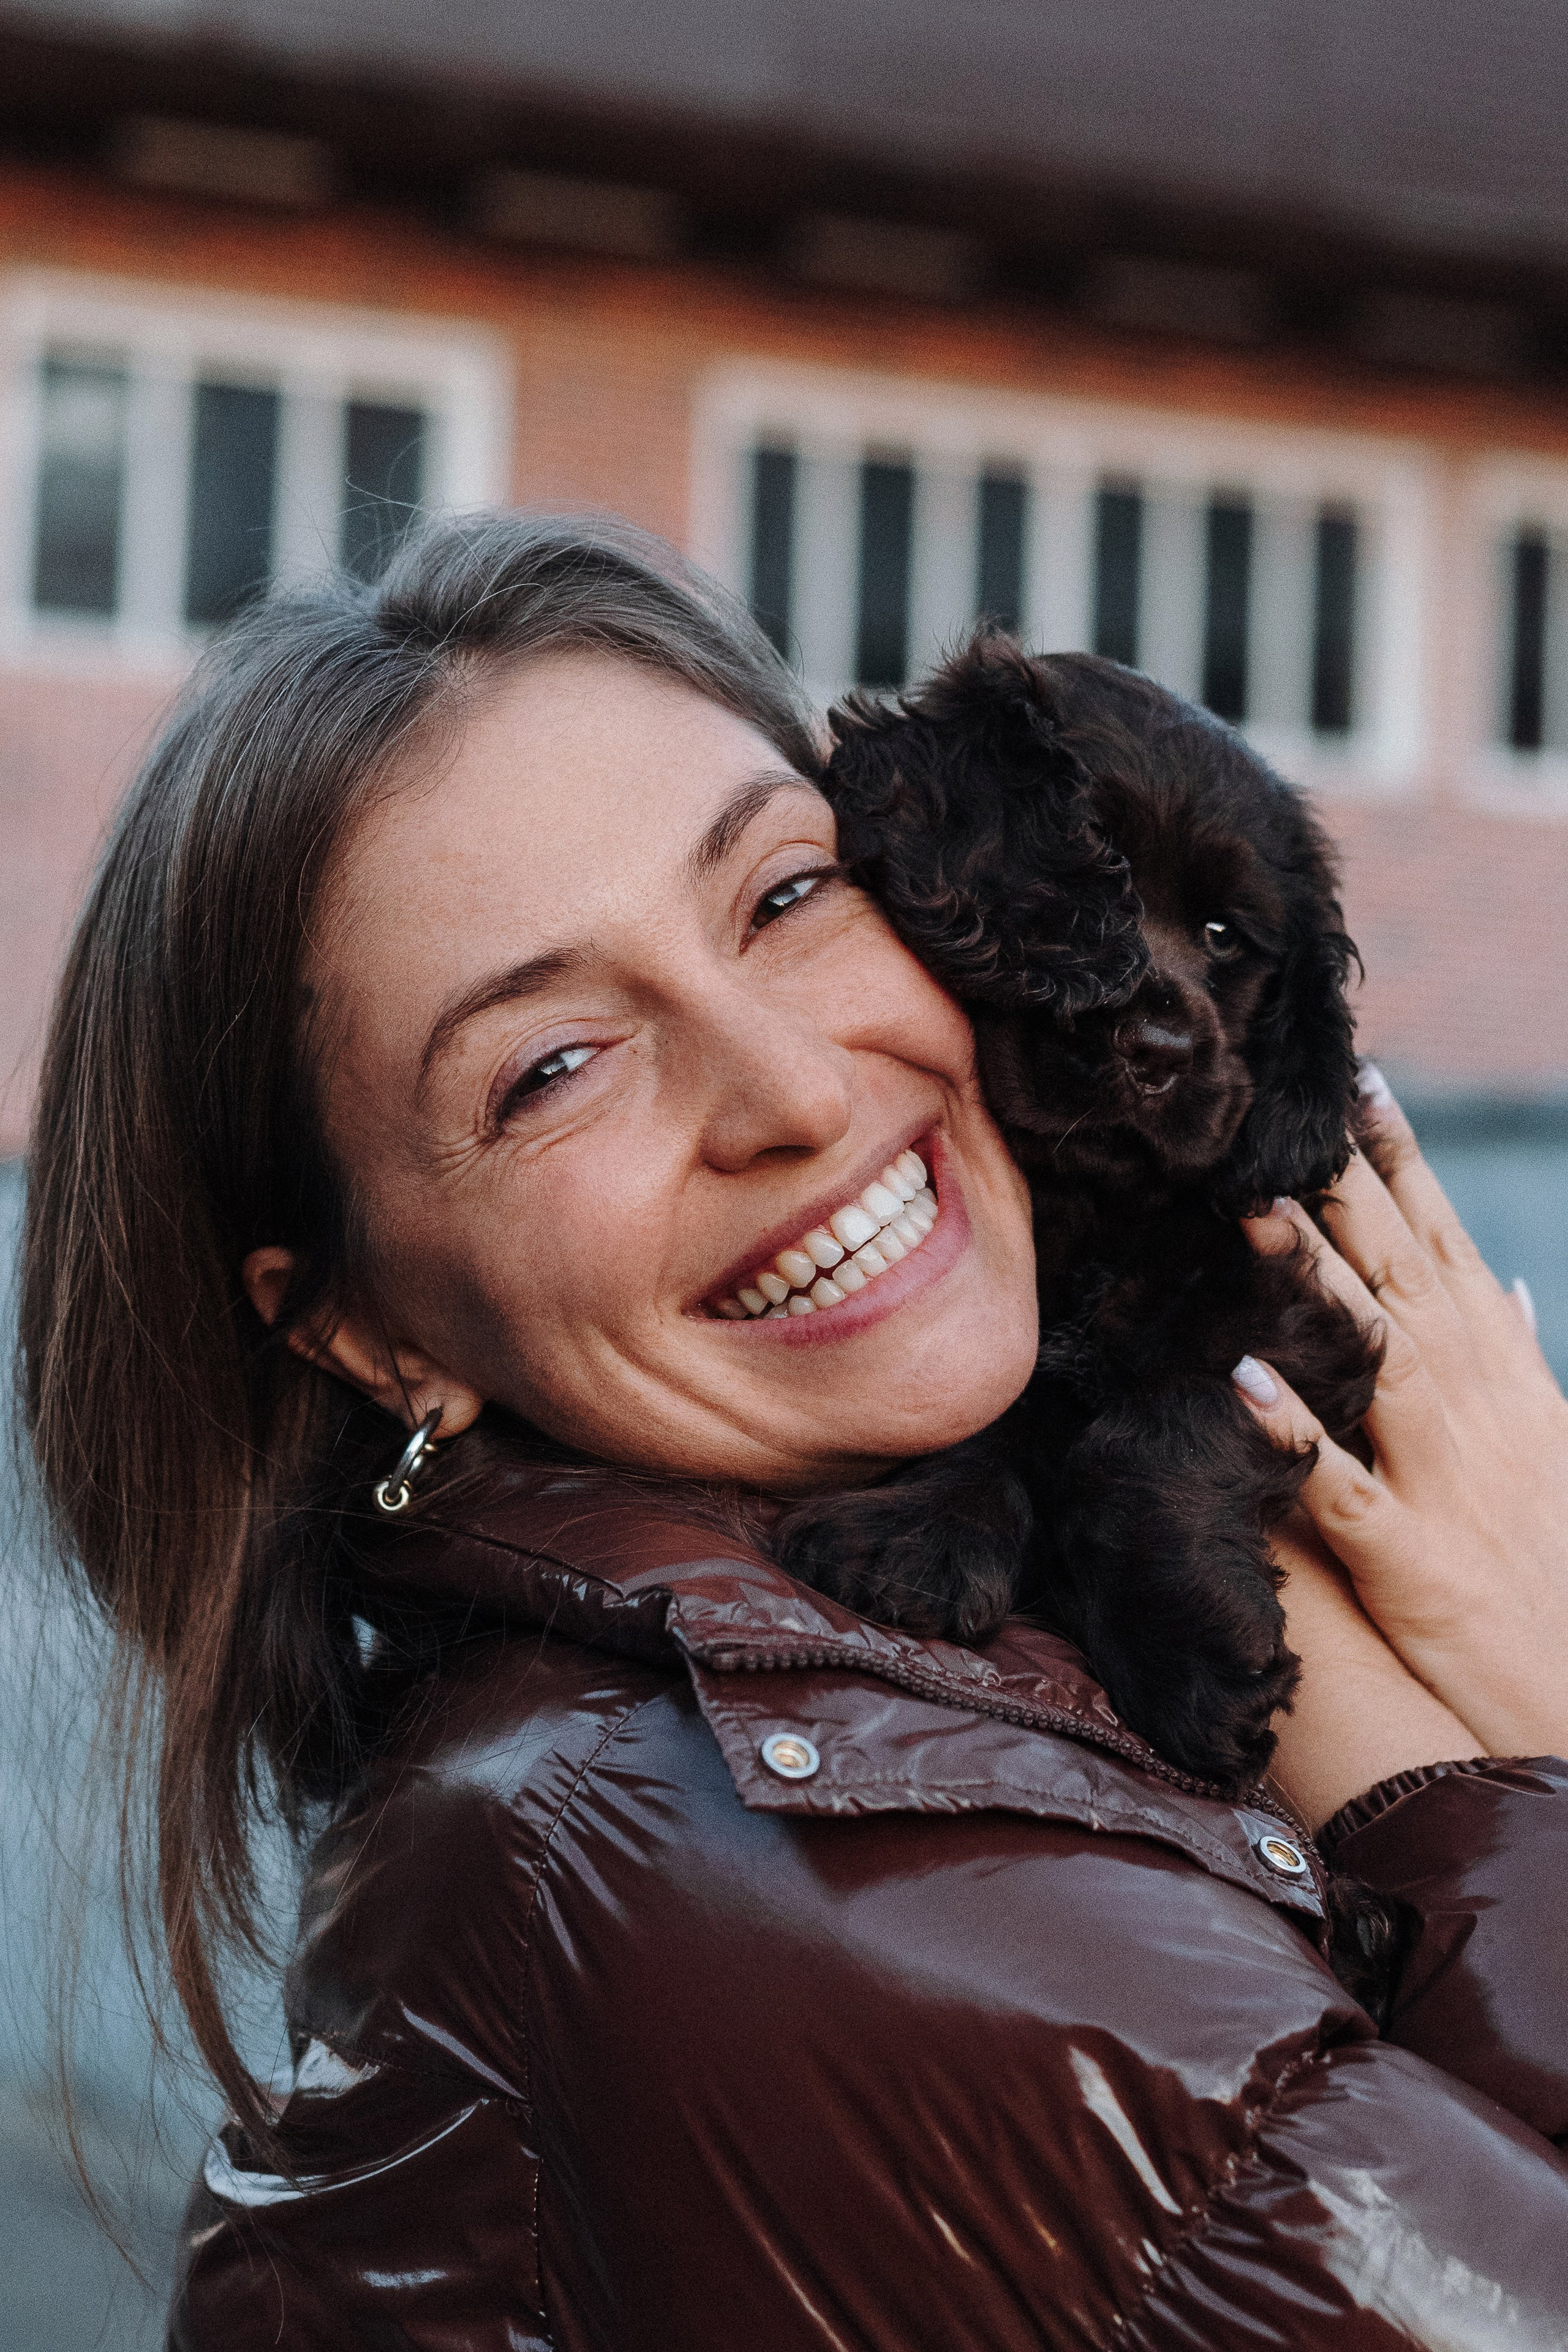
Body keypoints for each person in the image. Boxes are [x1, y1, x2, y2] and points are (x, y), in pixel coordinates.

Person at [17, 513, 1568, 2351]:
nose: (793, 1091)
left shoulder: (913, 1638)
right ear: (368, 1333)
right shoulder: (760, 1874)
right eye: (550, 1069)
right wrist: (1525, 1747)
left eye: (782, 896)